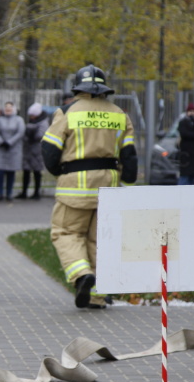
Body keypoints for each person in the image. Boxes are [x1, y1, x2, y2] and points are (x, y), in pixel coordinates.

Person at [42, 64, 137, 309]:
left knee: (66, 233)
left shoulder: (67, 112)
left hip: (74, 188)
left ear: (77, 88)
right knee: (99, 241)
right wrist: (127, 180)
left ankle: (82, 275)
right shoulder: (120, 114)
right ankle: (96, 297)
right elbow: (130, 158)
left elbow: (49, 151)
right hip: (109, 190)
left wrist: (60, 173)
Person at [0, 101, 25, 201]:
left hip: (13, 149)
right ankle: (0, 193)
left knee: (11, 172)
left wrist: (10, 142)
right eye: (6, 108)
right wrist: (1, 142)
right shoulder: (0, 119)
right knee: (0, 172)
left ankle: (9, 193)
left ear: (14, 109)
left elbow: (20, 132)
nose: (8, 109)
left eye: (10, 108)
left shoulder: (19, 120)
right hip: (1, 149)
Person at [16, 102, 49, 199]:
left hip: (37, 150)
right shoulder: (31, 121)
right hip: (28, 150)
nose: (31, 117)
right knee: (26, 171)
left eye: (33, 115)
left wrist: (32, 133)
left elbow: (41, 135)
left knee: (37, 171)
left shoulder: (43, 122)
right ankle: (24, 192)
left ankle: (36, 193)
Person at [176, 103, 194, 185]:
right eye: (190, 111)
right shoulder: (183, 122)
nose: (191, 113)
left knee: (192, 177)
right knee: (184, 177)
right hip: (186, 154)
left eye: (193, 111)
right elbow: (184, 134)